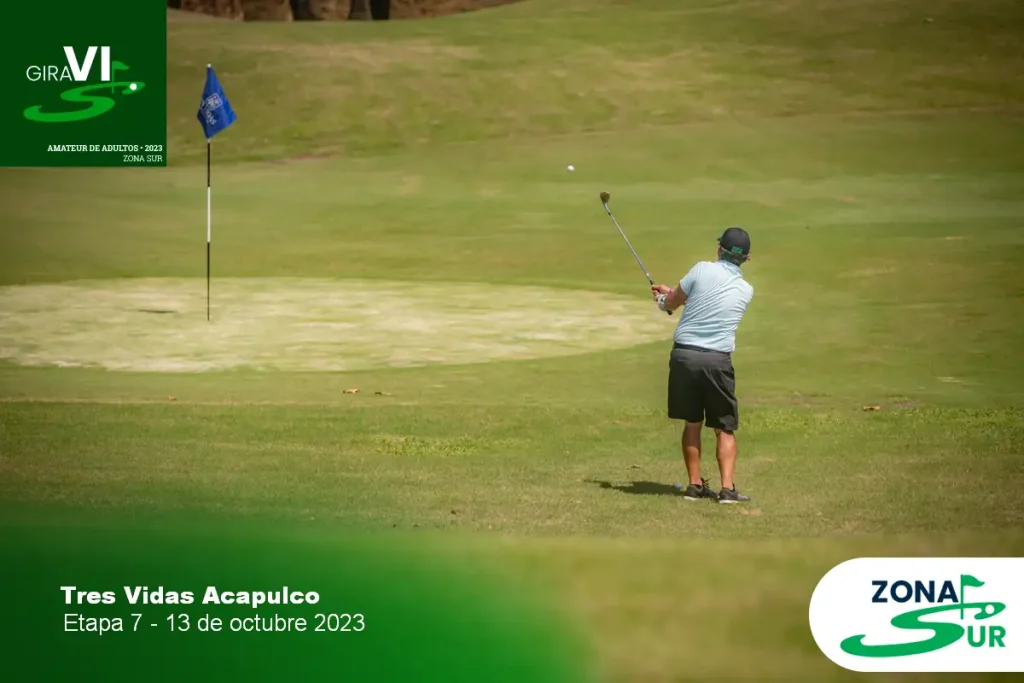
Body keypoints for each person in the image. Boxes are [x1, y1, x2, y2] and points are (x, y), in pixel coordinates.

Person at [651, 227, 754, 504]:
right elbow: (710, 302)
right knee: (724, 427)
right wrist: (672, 296)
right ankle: (727, 490)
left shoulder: (701, 269)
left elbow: (674, 303)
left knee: (693, 422)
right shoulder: (746, 290)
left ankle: (694, 486)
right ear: (746, 258)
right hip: (717, 361)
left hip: (684, 357)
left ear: (719, 249)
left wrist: (663, 300)